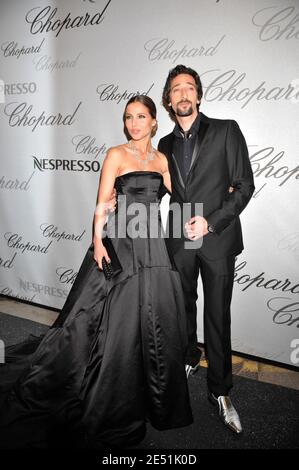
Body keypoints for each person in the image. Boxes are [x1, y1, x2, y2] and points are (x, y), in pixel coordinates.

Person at [0, 95, 193, 449]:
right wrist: (98, 241)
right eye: (128, 117)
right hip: (120, 241)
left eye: (140, 117)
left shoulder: (163, 159)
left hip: (152, 243)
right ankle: (108, 390)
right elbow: (103, 201)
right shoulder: (116, 155)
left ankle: (151, 394)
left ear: (154, 122)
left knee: (153, 318)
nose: (133, 123)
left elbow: (183, 195)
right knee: (112, 320)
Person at [157, 64, 255, 434]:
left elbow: (243, 186)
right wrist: (122, 202)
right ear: (169, 100)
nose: (183, 94)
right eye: (176, 89)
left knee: (217, 314)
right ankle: (188, 355)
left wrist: (210, 221)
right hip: (179, 239)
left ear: (198, 95)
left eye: (189, 88)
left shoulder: (227, 130)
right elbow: (160, 191)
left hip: (215, 237)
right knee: (182, 307)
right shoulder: (164, 145)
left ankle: (221, 391)